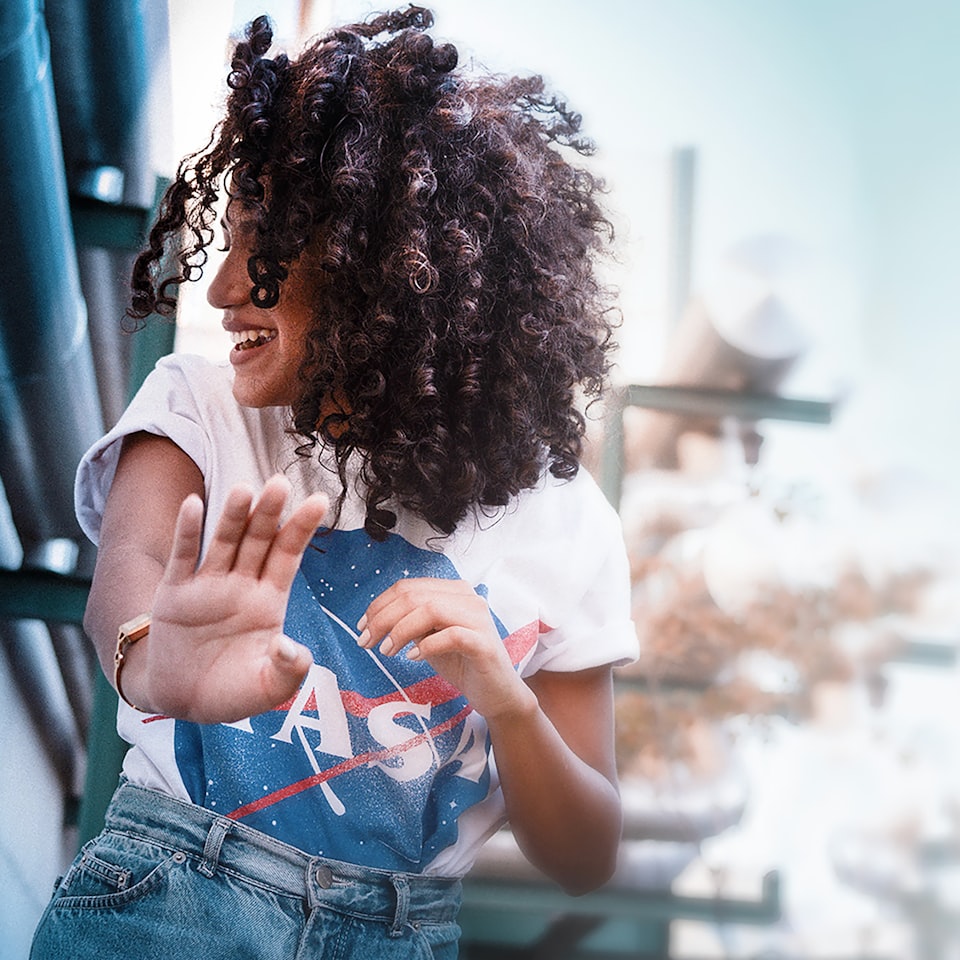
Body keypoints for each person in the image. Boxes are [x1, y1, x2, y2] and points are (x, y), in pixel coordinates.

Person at [31, 7, 637, 958]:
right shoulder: (196, 403)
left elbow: (587, 854)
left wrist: (506, 702)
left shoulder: (571, 530)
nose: (224, 287)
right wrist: (154, 664)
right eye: (224, 245)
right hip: (172, 896)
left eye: (260, 249)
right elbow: (132, 580)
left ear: (375, 268)